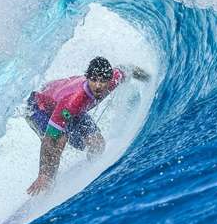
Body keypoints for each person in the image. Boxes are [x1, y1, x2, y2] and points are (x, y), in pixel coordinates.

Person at [24, 56, 149, 196]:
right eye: (94, 79)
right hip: (38, 107)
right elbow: (49, 139)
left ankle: (91, 179)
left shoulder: (114, 79)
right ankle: (47, 185)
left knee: (97, 144)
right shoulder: (72, 101)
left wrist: (151, 79)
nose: (98, 85)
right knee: (59, 140)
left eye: (102, 80)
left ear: (110, 79)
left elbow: (128, 68)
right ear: (87, 78)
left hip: (70, 108)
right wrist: (43, 174)